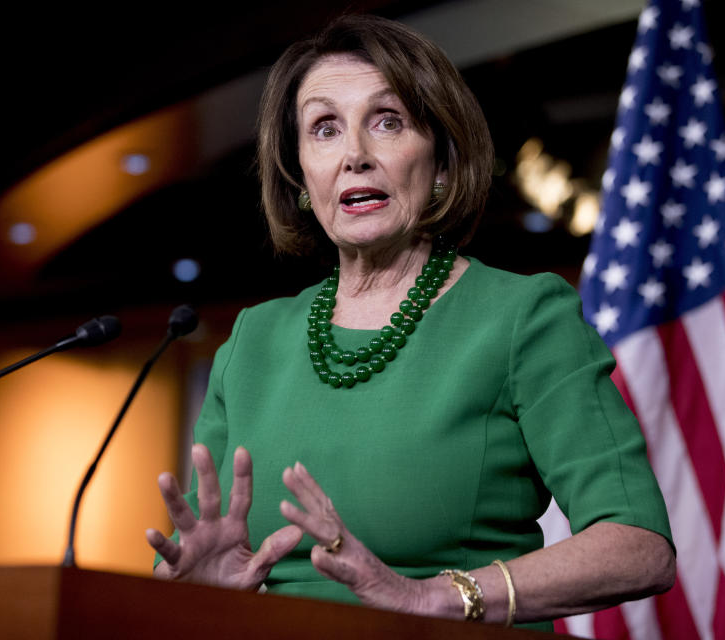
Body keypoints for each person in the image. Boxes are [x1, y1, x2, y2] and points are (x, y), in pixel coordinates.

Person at [146, 14, 674, 631]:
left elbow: (640, 548)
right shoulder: (252, 342)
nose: (355, 156)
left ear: (443, 160)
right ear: (300, 178)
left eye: (387, 121)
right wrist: (198, 593)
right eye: (324, 129)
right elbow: (191, 562)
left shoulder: (523, 318)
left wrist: (431, 598)